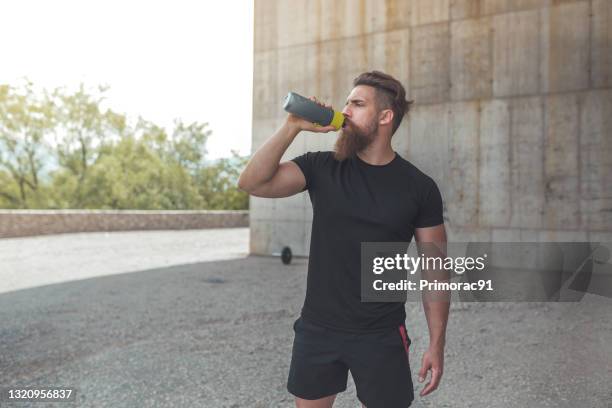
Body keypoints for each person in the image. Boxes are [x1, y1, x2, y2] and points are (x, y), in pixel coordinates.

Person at [238, 70, 449, 408]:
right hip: (318, 330)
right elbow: (253, 183)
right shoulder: (322, 167)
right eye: (347, 102)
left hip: (381, 334)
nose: (345, 110)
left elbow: (435, 270)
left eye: (357, 104)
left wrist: (436, 344)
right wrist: (291, 126)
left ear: (385, 116)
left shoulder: (419, 188)